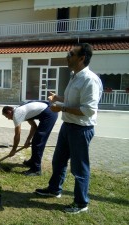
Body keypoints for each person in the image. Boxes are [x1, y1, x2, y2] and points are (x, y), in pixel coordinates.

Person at [35, 43, 103, 214]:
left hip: (81, 129)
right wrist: (58, 98)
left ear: (81, 58)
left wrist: (61, 108)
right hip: (68, 126)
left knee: (79, 168)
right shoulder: (75, 76)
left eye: (71, 54)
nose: (67, 56)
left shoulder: (90, 80)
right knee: (58, 161)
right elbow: (73, 99)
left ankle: (81, 203)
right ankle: (54, 189)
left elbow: (88, 110)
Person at [2, 101, 58, 176]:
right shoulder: (21, 110)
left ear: (9, 112)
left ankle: (36, 170)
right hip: (48, 111)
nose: (8, 119)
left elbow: (17, 134)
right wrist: (28, 140)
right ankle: (33, 161)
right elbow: (34, 126)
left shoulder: (17, 114)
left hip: (50, 114)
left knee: (38, 142)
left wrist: (14, 150)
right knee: (36, 140)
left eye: (6, 116)